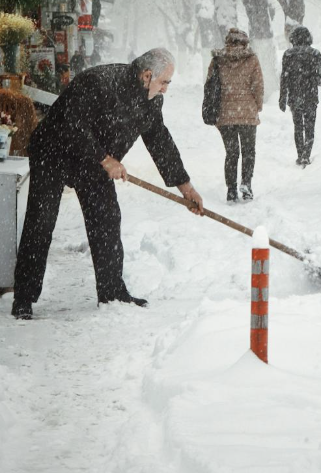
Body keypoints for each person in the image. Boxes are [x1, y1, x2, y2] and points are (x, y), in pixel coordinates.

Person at [11, 48, 203, 320]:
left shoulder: (151, 101)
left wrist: (186, 187)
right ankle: (24, 298)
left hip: (93, 162)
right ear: (147, 76)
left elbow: (160, 140)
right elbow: (71, 126)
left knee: (107, 219)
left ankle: (112, 292)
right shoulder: (99, 82)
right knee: (41, 221)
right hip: (54, 153)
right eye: (164, 82)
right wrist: (106, 159)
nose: (166, 89)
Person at [205, 28, 263, 202]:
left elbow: (210, 86)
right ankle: (246, 184)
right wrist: (257, 106)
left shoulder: (217, 60)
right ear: (245, 42)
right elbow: (258, 86)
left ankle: (231, 190)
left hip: (225, 114)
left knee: (231, 153)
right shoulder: (252, 59)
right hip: (247, 114)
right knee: (248, 152)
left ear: (227, 42)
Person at [279, 25, 321, 166]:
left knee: (298, 126)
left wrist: (283, 97)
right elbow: (320, 77)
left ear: (293, 39)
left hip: (294, 95)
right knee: (310, 126)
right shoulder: (315, 54)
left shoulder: (288, 54)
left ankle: (300, 154)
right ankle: (306, 154)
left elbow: (284, 77)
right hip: (310, 95)